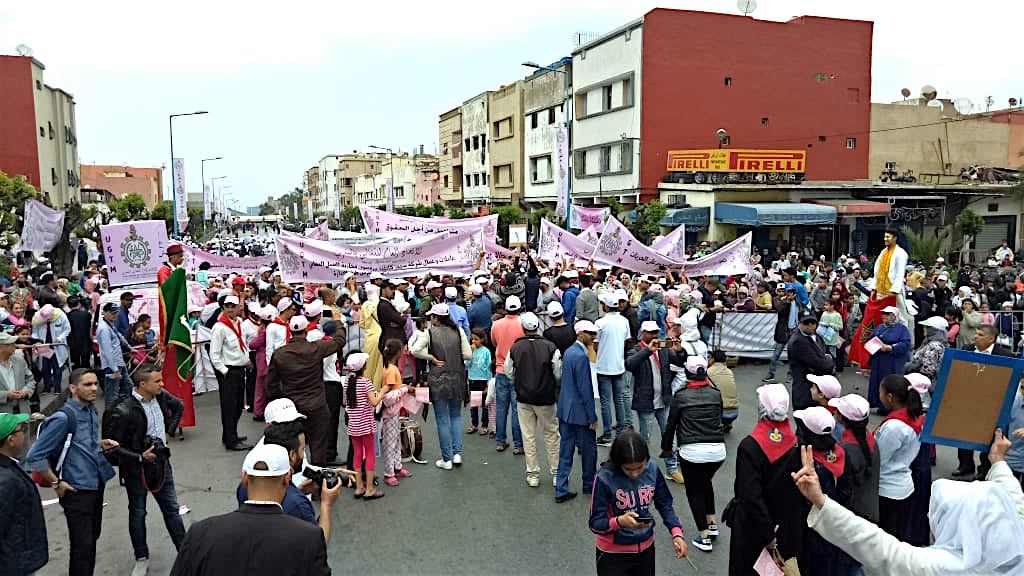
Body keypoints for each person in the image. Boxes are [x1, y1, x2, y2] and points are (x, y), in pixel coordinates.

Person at [794, 430, 1024, 576]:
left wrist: (821, 501)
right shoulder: (1016, 542)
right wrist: (999, 462)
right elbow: (1015, 501)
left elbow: (875, 543)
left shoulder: (942, 567)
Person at [169, 444, 332, 576]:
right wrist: (326, 504)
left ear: (245, 479)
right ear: (287, 478)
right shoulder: (309, 538)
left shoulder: (200, 533)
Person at [27, 368, 118, 576]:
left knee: (92, 538)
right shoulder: (63, 418)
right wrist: (56, 483)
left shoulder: (91, 410)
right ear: (73, 388)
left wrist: (100, 444)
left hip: (96, 482)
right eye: (87, 384)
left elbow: (81, 442)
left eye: (95, 384)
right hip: (76, 489)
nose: (93, 388)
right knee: (82, 548)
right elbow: (35, 456)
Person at [103, 364, 186, 575]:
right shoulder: (124, 410)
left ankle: (186, 554)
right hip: (137, 471)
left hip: (162, 465)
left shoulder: (160, 396)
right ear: (142, 384)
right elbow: (112, 449)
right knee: (138, 513)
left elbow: (179, 406)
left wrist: (169, 431)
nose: (162, 384)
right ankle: (141, 557)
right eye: (157, 381)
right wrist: (140, 456)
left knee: (172, 510)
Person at [727, 384, 803, 576]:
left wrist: (767, 534)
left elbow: (750, 496)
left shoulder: (750, 446)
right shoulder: (795, 444)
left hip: (752, 529)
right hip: (784, 528)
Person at [589, 431, 688, 574]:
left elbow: (665, 504)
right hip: (612, 554)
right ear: (618, 463)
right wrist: (619, 522)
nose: (635, 474)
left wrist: (677, 533)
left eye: (640, 467)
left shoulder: (652, 469)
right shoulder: (604, 478)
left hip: (646, 550)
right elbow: (595, 523)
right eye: (628, 469)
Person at [661, 354, 725, 552]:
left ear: (687, 373)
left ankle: (704, 537)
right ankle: (712, 524)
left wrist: (666, 449)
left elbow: (670, 426)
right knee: (705, 483)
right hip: (717, 451)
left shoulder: (680, 396)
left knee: (694, 491)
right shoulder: (716, 393)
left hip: (692, 452)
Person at [264, 315, 345, 466]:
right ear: (306, 331)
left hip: (292, 408)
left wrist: (279, 402)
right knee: (318, 446)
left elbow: (271, 385)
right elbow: (339, 341)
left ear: (290, 331)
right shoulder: (315, 348)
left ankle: (293, 475)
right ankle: (317, 476)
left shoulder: (280, 354)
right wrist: (338, 323)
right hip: (316, 406)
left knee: (292, 447)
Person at [411, 303, 472, 469]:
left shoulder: (429, 333)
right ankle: (457, 453)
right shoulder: (458, 331)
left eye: (432, 316)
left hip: (438, 378)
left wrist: (431, 358)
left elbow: (415, 350)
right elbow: (468, 354)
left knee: (442, 419)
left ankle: (446, 459)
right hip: (457, 376)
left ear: (436, 318)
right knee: (456, 416)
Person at [791, 406, 849, 575]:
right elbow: (846, 492)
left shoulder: (801, 458)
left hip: (807, 528)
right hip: (834, 523)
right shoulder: (841, 453)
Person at [506, 311, 561, 488]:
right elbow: (558, 372)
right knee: (552, 435)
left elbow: (509, 371)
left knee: (528, 436)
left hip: (524, 397)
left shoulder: (515, 347)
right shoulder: (550, 346)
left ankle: (533, 474)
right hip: (546, 397)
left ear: (523, 328)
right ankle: (556, 473)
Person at [625, 320, 684, 483]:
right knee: (645, 438)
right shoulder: (636, 350)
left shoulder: (663, 349)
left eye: (656, 332)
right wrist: (648, 351)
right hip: (646, 402)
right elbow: (630, 364)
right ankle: (642, 469)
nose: (654, 335)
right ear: (643, 333)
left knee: (669, 436)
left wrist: (680, 351)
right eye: (651, 332)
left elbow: (680, 361)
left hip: (663, 400)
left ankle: (672, 468)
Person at [874, 374, 924, 539]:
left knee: (886, 538)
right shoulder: (912, 416)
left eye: (880, 392)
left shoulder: (894, 427)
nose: (879, 396)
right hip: (902, 483)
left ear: (890, 397)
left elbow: (879, 457)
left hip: (888, 489)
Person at [555, 320, 599, 503]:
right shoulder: (581, 356)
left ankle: (561, 488)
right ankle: (589, 484)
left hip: (565, 409)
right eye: (591, 333)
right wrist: (592, 416)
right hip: (580, 412)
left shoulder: (569, 352)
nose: (594, 337)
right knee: (589, 450)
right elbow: (585, 389)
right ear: (581, 334)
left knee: (565, 451)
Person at [0, 412, 48, 575]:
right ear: (10, 440)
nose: (25, 434)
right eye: (22, 430)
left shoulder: (9, 467)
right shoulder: (6, 480)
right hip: (13, 563)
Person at [209, 295, 253, 451]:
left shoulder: (238, 322)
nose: (229, 309)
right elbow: (214, 354)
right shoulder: (219, 327)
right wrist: (225, 371)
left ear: (238, 308)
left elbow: (242, 343)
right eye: (227, 306)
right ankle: (231, 440)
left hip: (240, 369)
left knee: (239, 405)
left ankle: (230, 434)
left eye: (232, 306)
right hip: (229, 371)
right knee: (230, 407)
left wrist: (246, 359)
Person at [595, 292, 633, 446]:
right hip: (618, 364)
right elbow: (625, 341)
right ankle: (620, 431)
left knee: (605, 402)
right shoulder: (624, 321)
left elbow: (596, 345)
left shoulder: (600, 323)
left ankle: (607, 435)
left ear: (606, 306)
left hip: (604, 366)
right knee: (619, 399)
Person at [489, 294, 525, 453]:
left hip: (501, 369)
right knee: (517, 409)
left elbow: (494, 342)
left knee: (501, 407)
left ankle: (500, 441)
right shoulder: (523, 324)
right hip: (518, 371)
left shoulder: (496, 325)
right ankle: (518, 444)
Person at [379, 339, 412, 486]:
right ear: (398, 352)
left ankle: (397, 467)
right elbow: (388, 396)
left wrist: (403, 388)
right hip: (391, 412)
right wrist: (405, 389)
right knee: (390, 442)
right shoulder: (391, 370)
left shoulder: (390, 368)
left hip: (395, 411)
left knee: (396, 440)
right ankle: (389, 473)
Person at [787, 310, 833, 410]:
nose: (810, 325)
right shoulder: (797, 341)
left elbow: (826, 354)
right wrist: (829, 360)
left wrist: (827, 359)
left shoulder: (817, 336)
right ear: (799, 323)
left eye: (812, 322)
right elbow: (820, 365)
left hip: (818, 390)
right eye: (806, 323)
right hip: (805, 391)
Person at [867, 306, 911, 413]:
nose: (884, 316)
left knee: (890, 383)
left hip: (892, 361)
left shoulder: (902, 329)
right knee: (878, 382)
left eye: (887, 314)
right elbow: (871, 338)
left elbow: (906, 344)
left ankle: (890, 407)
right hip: (878, 360)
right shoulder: (880, 327)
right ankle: (879, 405)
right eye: (884, 314)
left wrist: (891, 347)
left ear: (894, 316)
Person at [763, 284, 794, 383]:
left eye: (792, 292)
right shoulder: (782, 301)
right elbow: (779, 310)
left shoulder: (797, 303)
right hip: (783, 331)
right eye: (788, 292)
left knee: (793, 356)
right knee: (776, 355)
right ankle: (771, 374)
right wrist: (787, 302)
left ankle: (791, 375)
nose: (790, 294)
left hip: (794, 330)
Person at [0, 330, 35, 415]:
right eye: (11, 344)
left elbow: (30, 380)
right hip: (3, 415)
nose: (15, 346)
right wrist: (6, 395)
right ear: (1, 347)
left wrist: (26, 391)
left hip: (22, 411)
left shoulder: (19, 360)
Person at [467, 329, 493, 435]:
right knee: (474, 405)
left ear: (482, 339)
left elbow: (489, 368)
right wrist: (470, 353)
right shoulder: (470, 350)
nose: (473, 341)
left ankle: (484, 425)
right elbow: (466, 364)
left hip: (483, 381)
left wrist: (488, 384)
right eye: (472, 339)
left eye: (476, 339)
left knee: (484, 405)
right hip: (473, 380)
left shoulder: (486, 351)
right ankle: (474, 424)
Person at [707, 350, 738, 433]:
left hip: (719, 411)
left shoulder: (708, 372)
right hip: (734, 410)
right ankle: (727, 423)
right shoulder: (729, 372)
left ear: (712, 359)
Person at [67, 295, 92, 369]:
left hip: (73, 343)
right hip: (86, 341)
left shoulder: (67, 316)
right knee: (86, 364)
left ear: (68, 305)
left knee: (76, 365)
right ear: (79, 304)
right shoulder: (86, 314)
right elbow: (89, 328)